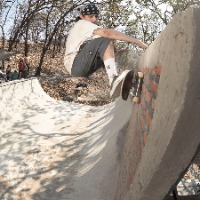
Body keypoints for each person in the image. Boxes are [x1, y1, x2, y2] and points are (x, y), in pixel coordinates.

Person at [64, 2, 148, 95]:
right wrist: (137, 41)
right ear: (82, 16)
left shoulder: (85, 31)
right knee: (105, 40)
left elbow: (104, 54)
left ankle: (125, 85)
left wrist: (117, 52)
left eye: (96, 16)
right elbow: (107, 33)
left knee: (110, 48)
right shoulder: (82, 23)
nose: (94, 19)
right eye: (91, 16)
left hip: (80, 67)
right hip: (75, 65)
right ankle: (113, 80)